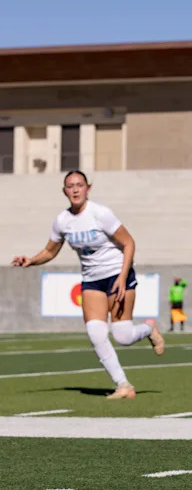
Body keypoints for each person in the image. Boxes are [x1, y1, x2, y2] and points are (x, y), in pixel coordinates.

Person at [11, 171, 164, 399]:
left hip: (116, 275)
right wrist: (31, 260)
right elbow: (51, 251)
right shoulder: (62, 221)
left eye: (79, 185)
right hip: (92, 280)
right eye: (70, 186)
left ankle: (149, 330)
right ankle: (123, 385)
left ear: (87, 189)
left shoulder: (100, 213)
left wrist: (123, 277)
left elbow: (129, 243)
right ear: (64, 191)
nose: (75, 190)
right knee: (95, 333)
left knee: (122, 337)